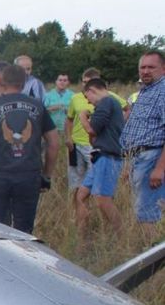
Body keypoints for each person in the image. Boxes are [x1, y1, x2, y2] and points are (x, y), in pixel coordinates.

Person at [0, 63, 58, 234]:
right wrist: (46, 175)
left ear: (1, 80)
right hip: (29, 175)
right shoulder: (38, 106)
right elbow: (53, 143)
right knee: (24, 231)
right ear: (24, 83)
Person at [120, 50, 165, 230]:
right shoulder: (146, 91)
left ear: (163, 68)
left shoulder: (162, 91)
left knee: (147, 214)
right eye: (142, 67)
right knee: (142, 209)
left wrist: (160, 169)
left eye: (151, 67)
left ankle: (151, 253)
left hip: (152, 159)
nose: (145, 71)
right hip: (138, 158)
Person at [74, 77, 126, 233]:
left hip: (108, 157)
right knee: (81, 195)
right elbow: (95, 137)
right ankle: (81, 231)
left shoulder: (106, 102)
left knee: (102, 200)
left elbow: (92, 130)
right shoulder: (109, 104)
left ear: (91, 90)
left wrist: (83, 117)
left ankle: (120, 234)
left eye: (87, 97)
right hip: (99, 156)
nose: (88, 102)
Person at [66, 68, 128, 193]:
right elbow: (69, 119)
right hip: (77, 143)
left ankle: (99, 207)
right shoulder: (76, 98)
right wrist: (69, 137)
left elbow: (127, 108)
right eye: (83, 82)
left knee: (98, 187)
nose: (85, 85)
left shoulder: (109, 98)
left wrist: (116, 127)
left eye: (88, 82)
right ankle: (77, 211)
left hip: (98, 147)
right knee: (76, 185)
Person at [43, 73, 73, 139]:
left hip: (67, 131)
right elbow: (42, 112)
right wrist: (52, 108)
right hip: (51, 129)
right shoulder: (48, 95)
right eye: (60, 80)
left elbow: (76, 113)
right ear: (56, 81)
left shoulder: (73, 96)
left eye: (65, 80)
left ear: (68, 82)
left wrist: (69, 111)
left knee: (65, 149)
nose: (62, 82)